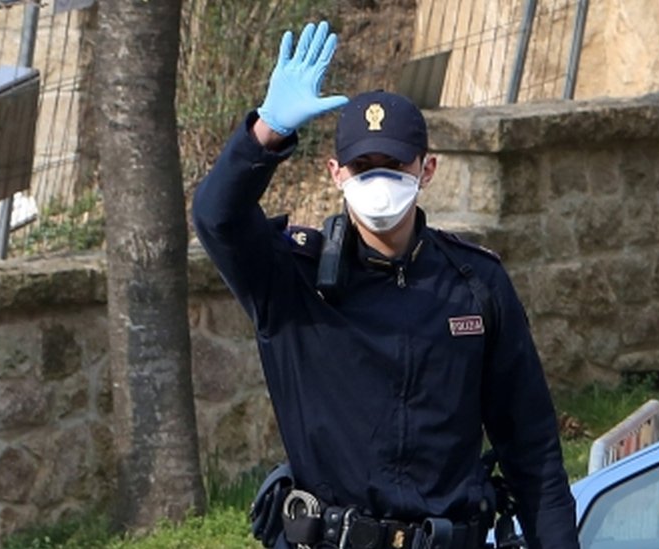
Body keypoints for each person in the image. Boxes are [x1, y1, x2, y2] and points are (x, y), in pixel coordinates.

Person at [193, 20, 579, 549]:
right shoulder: (292, 279)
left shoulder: (474, 284)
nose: (378, 179)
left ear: (427, 170)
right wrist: (267, 131)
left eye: (394, 164)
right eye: (362, 165)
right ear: (336, 172)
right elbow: (217, 217)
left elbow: (533, 453)